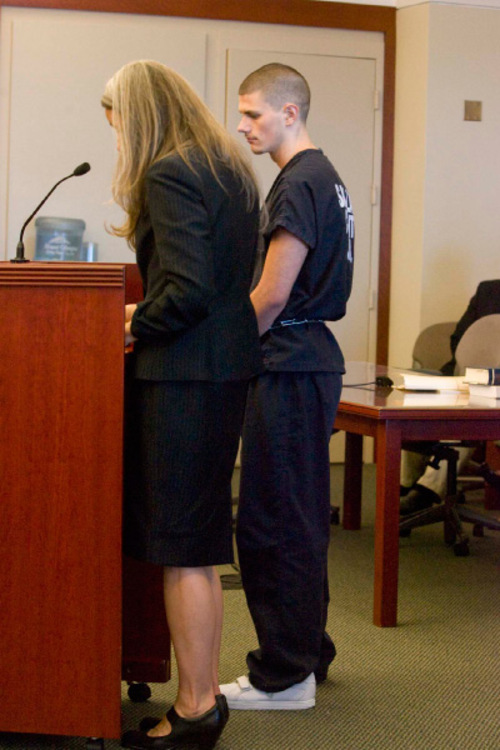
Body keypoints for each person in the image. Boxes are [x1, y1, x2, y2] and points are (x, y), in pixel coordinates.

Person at [101, 60, 262, 750]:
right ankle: (202, 696)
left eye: (115, 124)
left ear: (138, 116)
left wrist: (136, 322)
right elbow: (212, 283)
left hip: (185, 381)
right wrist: (153, 307)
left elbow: (188, 289)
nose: (115, 139)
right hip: (219, 371)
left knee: (184, 550)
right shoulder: (225, 167)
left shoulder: (167, 170)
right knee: (195, 545)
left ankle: (196, 707)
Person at [220, 63, 354, 710]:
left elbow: (271, 295)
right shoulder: (319, 178)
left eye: (254, 114)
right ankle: (307, 658)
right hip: (305, 359)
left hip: (290, 359)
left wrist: (219, 348)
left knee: (275, 526)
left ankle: (285, 675)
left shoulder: (300, 180)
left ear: (290, 112)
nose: (243, 125)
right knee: (296, 522)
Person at [400, 279, 500, 515]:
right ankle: (406, 484)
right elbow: (459, 338)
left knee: (470, 414)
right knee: (416, 407)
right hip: (465, 374)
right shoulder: (488, 290)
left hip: (493, 393)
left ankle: (428, 490)